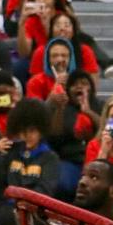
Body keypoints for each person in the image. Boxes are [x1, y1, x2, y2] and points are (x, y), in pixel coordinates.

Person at [45, 70, 102, 198]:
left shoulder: (101, 105)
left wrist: (88, 112)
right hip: (70, 160)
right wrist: (59, 110)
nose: (79, 87)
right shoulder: (63, 107)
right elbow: (54, 138)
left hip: (98, 161)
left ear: (91, 88)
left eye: (84, 83)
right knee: (62, 183)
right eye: (74, 84)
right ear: (68, 90)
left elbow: (109, 131)